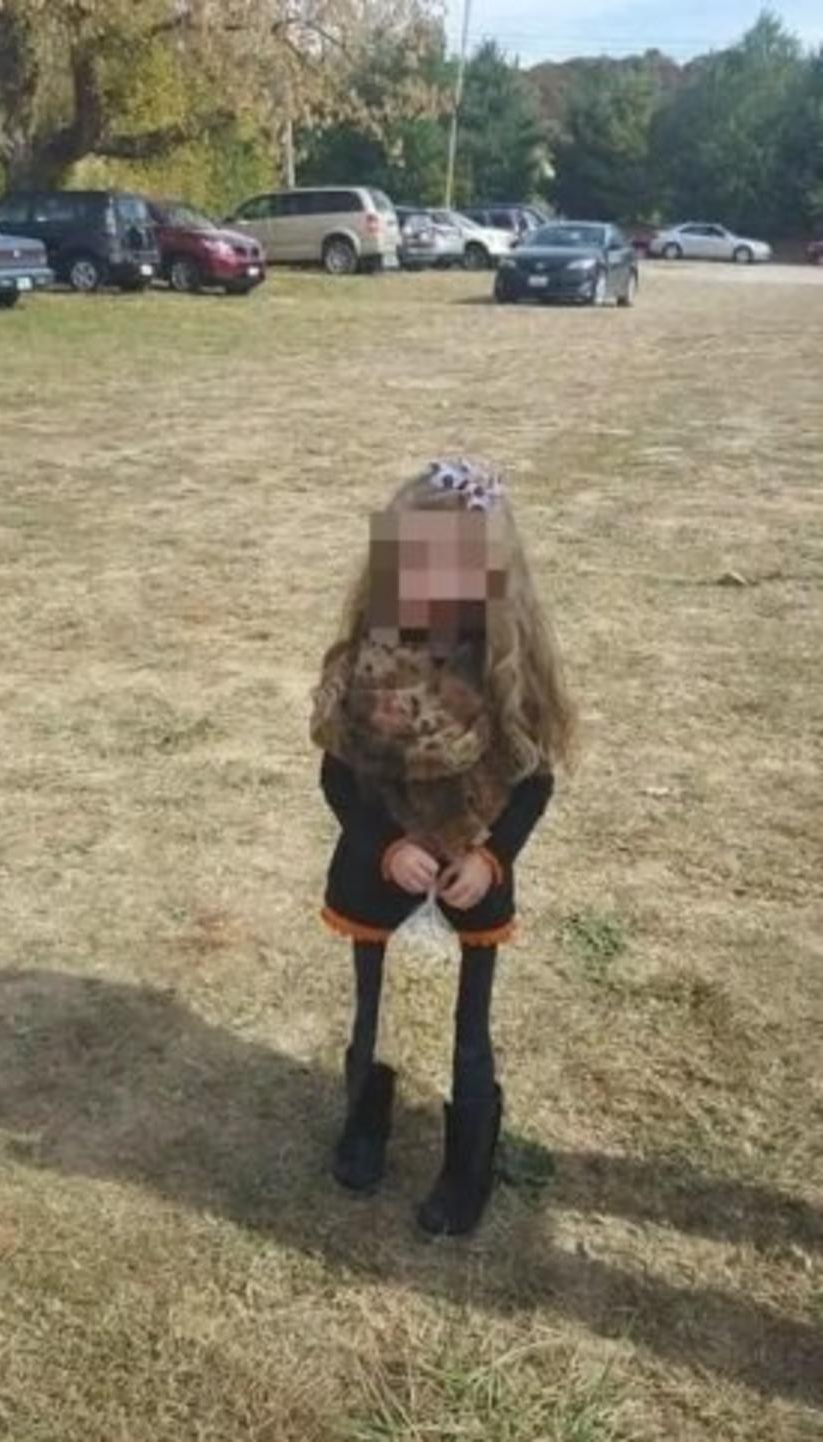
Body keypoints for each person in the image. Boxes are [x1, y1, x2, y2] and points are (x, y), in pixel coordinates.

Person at [310, 457, 576, 1236]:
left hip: (468, 891)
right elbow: (339, 777)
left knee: (467, 1034)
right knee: (375, 1016)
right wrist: (386, 846)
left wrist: (491, 857)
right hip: (378, 885)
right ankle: (366, 1123)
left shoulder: (506, 675)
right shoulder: (365, 664)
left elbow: (533, 784)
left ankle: (468, 1165)